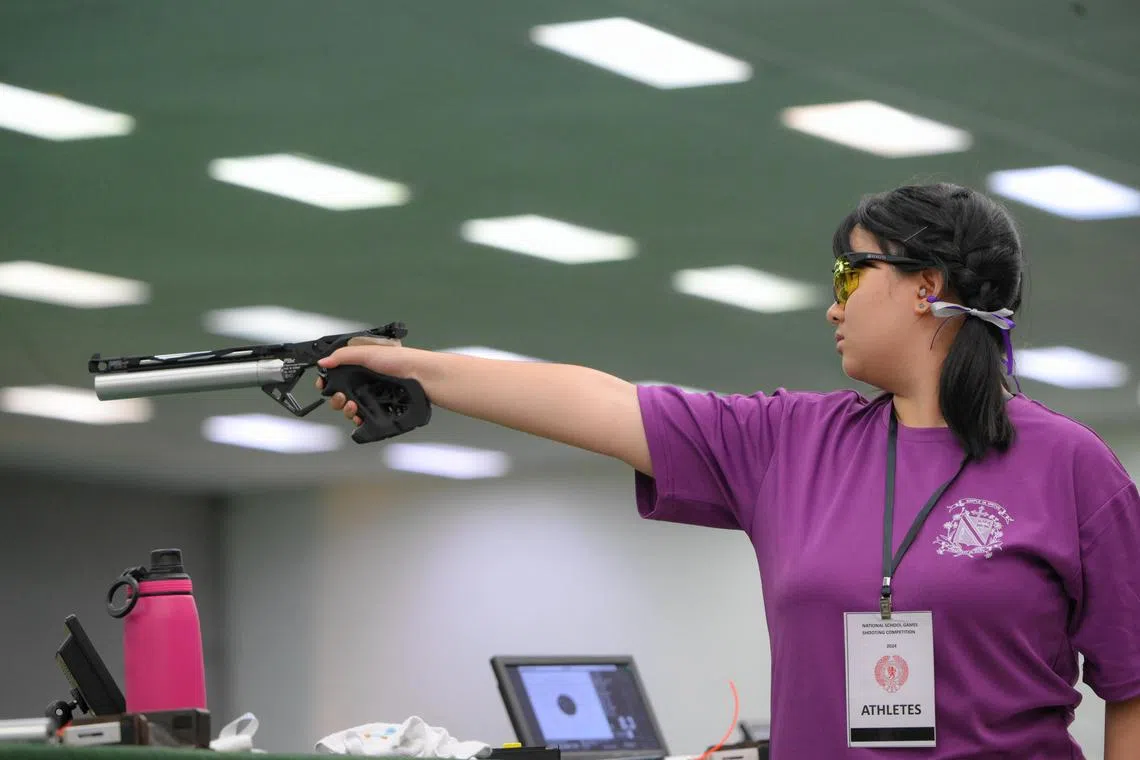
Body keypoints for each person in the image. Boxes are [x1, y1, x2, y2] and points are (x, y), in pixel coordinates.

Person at [316, 183, 1140, 759]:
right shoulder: (789, 441)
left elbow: (1133, 687)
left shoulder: (1069, 466)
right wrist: (416, 367)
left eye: (852, 273)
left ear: (928, 286)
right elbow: (598, 403)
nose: (833, 303)